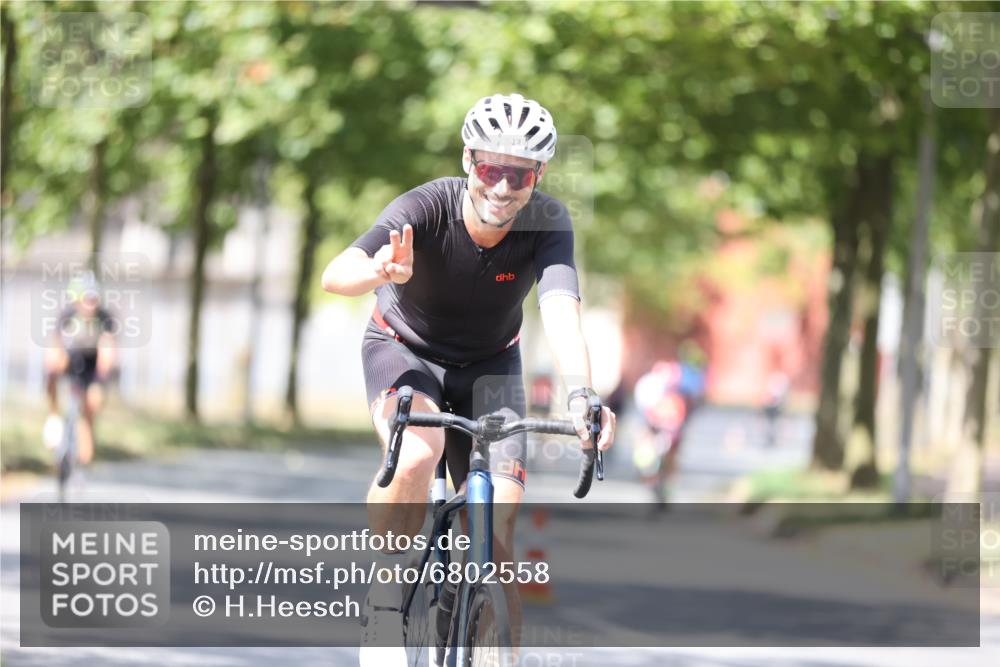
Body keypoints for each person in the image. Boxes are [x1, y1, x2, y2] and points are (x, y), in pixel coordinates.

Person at [320, 93, 617, 666]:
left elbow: (560, 310)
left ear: (539, 175)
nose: (502, 188)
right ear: (467, 161)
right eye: (490, 169)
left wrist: (582, 392)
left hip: (490, 365)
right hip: (406, 351)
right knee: (416, 454)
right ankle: (385, 600)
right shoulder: (425, 206)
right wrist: (378, 271)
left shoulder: (548, 222)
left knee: (496, 531)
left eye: (518, 174)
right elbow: (336, 273)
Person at [43, 271, 116, 467]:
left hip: (92, 364)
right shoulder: (67, 316)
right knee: (52, 371)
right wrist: (56, 364)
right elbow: (55, 344)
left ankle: (84, 448)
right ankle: (54, 417)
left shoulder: (104, 318)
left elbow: (107, 350)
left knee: (92, 403)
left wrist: (100, 379)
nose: (91, 304)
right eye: (86, 299)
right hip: (72, 358)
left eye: (94, 299)